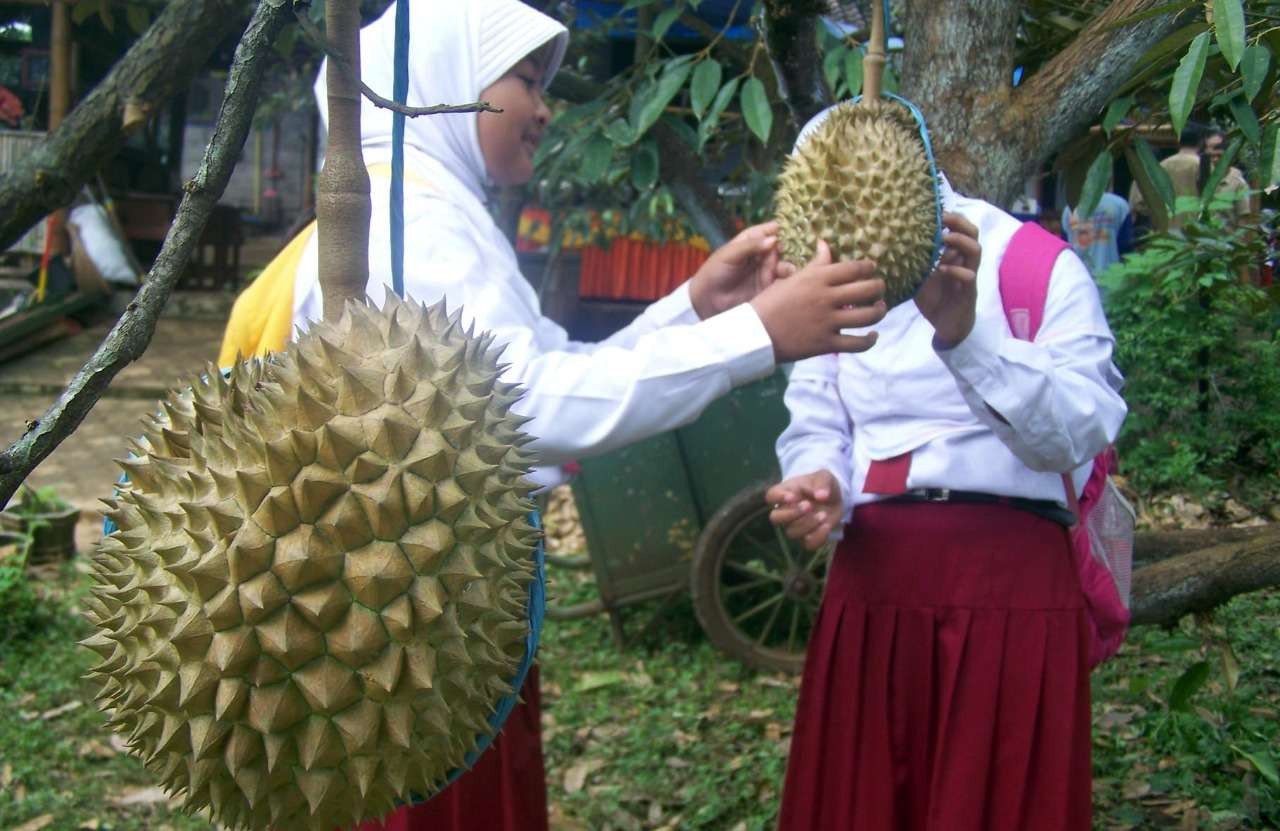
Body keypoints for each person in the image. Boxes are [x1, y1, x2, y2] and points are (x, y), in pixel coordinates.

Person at [218, 3, 887, 830]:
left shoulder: (430, 207)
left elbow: (533, 367)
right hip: (408, 640)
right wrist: (754, 335)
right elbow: (524, 409)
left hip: (437, 616)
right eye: (526, 81)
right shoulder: (411, 224)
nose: (544, 108)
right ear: (449, 86)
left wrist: (698, 307)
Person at [766, 104, 1126, 831]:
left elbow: (1084, 426)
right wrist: (819, 476)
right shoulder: (831, 277)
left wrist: (965, 334)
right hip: (876, 582)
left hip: (1012, 585)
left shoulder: (1033, 262)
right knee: (866, 804)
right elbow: (818, 411)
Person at [1061, 189, 1133, 279]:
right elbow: (1126, 248)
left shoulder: (1069, 210)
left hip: (1079, 279)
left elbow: (1065, 250)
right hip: (1113, 282)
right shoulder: (1120, 205)